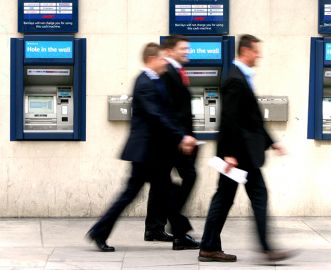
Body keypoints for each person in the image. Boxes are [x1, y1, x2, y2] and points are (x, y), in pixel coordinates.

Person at [86, 43, 198, 252]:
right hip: (146, 153)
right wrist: (181, 136)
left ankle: (180, 235)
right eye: (161, 59)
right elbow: (157, 115)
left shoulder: (154, 81)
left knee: (165, 191)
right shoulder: (144, 82)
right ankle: (99, 232)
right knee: (131, 195)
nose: (165, 62)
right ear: (151, 59)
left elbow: (166, 112)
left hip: (154, 152)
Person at [198, 35, 295, 262]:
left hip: (243, 153)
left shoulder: (241, 77)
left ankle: (209, 247)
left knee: (225, 199)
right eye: (256, 51)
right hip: (239, 155)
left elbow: (251, 119)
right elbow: (230, 119)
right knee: (248, 197)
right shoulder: (235, 78)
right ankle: (265, 248)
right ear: (245, 51)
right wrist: (229, 154)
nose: (259, 55)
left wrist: (272, 142)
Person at [144, 35, 198, 249]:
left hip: (175, 138)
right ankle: (176, 225)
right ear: (170, 51)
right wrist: (182, 136)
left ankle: (155, 227)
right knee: (186, 177)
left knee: (161, 184)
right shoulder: (168, 73)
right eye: (183, 48)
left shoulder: (177, 72)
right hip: (173, 141)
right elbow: (168, 110)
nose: (187, 52)